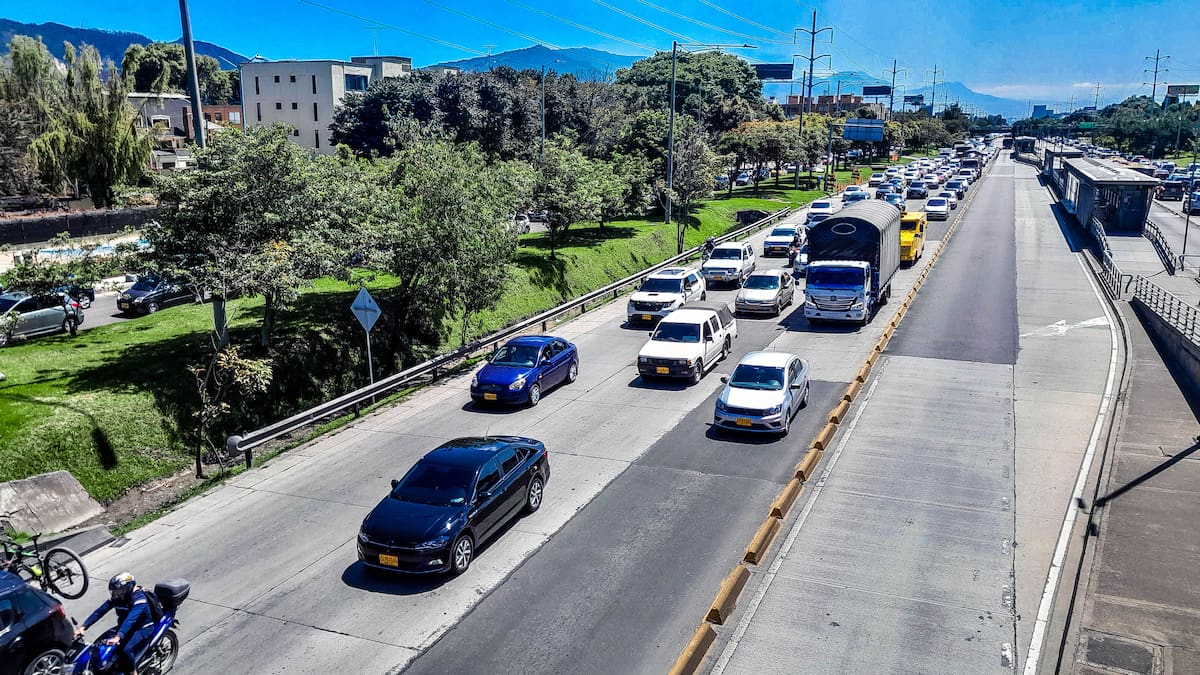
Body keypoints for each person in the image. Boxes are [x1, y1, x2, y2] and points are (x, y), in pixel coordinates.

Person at [75, 572, 156, 675]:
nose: (116, 594)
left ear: (128, 587)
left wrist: (118, 637)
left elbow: (130, 620)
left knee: (125, 649)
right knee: (97, 646)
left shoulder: (139, 599)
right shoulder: (118, 598)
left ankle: (133, 672)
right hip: (123, 628)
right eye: (115, 591)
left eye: (119, 591)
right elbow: (99, 612)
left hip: (142, 628)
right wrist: (83, 627)